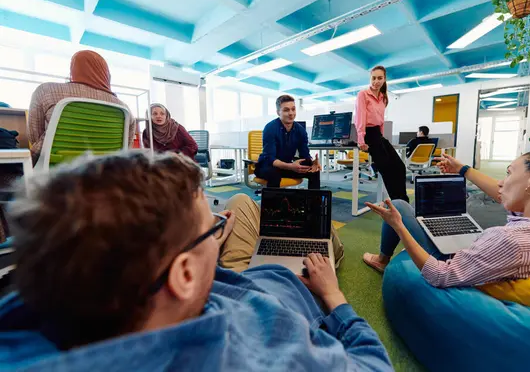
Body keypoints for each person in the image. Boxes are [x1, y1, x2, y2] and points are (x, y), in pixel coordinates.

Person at [1, 151, 392, 371]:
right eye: (213, 230)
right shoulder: (267, 358)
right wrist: (334, 296)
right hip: (291, 288)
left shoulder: (57, 306)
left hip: (231, 278)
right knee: (325, 235)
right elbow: (375, 365)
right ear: (183, 272)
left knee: (241, 202)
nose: (220, 229)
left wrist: (203, 233)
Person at [362, 148, 530, 288]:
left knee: (401, 207)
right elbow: (502, 195)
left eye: (509, 173)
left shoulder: (511, 242)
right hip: (491, 259)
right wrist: (462, 169)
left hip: (452, 265)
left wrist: (399, 226)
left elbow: (441, 275)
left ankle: (382, 260)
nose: (501, 182)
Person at [28, 50, 135, 165]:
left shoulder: (46, 91)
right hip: (105, 174)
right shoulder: (124, 108)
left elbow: (34, 137)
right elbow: (125, 149)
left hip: (55, 173)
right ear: (107, 75)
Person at [355, 66, 408, 202]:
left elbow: (381, 120)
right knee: (387, 169)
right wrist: (361, 139)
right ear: (370, 78)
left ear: (384, 79)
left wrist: (383, 139)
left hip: (378, 134)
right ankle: (397, 203)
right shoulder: (363, 94)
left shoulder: (383, 98)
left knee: (400, 167)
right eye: (374, 78)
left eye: (380, 78)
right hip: (368, 134)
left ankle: (403, 201)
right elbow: (359, 117)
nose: (376, 81)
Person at [255, 95, 321, 189]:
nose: (291, 113)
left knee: (314, 171)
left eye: (293, 109)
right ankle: (273, 203)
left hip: (287, 165)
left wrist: (312, 162)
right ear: (278, 112)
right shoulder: (270, 128)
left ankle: (314, 203)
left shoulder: (300, 130)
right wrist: (291, 166)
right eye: (286, 110)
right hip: (267, 166)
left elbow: (304, 155)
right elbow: (270, 158)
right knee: (274, 174)